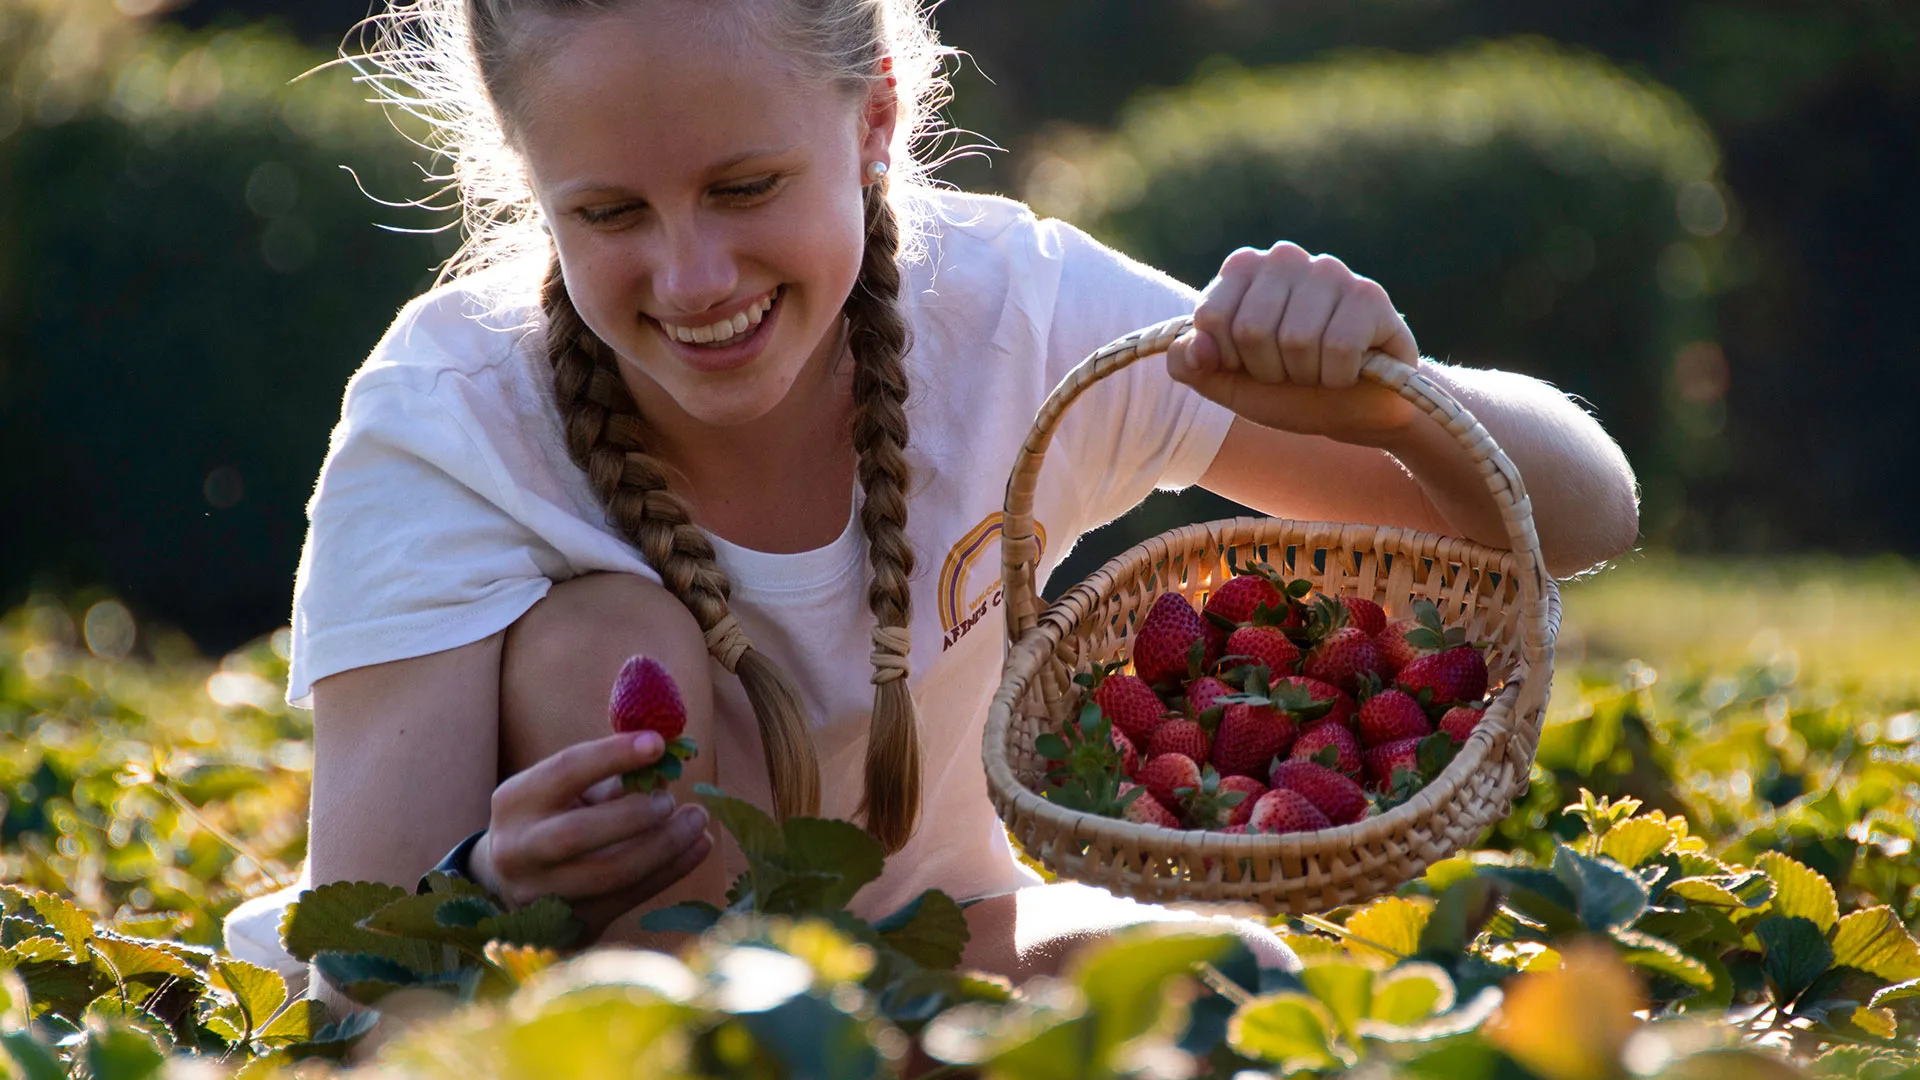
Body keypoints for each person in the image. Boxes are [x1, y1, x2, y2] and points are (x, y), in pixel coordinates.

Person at [222, 0, 1639, 1001]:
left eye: (744, 184)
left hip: (926, 958)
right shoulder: (451, 416)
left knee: (1226, 986)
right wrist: (488, 878)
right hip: (596, 1002)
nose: (695, 274)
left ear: (875, 121)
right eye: (610, 215)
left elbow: (1576, 517)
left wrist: (1375, 386)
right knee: (613, 644)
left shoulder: (1015, 311)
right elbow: (371, 969)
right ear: (533, 189)